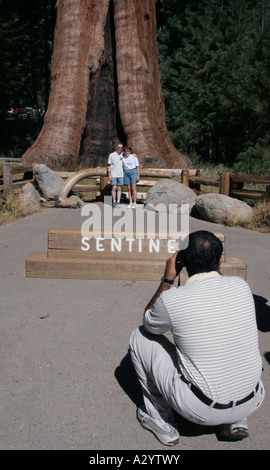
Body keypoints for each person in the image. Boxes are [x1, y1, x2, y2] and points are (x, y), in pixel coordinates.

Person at [129, 230, 265, 446]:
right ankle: (236, 421)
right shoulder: (242, 287)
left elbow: (149, 324)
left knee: (139, 337)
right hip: (253, 399)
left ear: (180, 261)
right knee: (229, 341)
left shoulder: (172, 299)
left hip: (200, 409)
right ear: (219, 261)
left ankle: (161, 420)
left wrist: (167, 279)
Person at [107, 143, 124, 207]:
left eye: (121, 148)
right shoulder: (111, 155)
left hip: (120, 174)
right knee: (114, 187)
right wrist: (109, 175)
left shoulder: (123, 155)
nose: (120, 149)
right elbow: (109, 166)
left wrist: (134, 155)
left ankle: (118, 201)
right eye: (119, 147)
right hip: (113, 174)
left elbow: (129, 155)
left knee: (119, 188)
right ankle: (114, 201)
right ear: (116, 147)